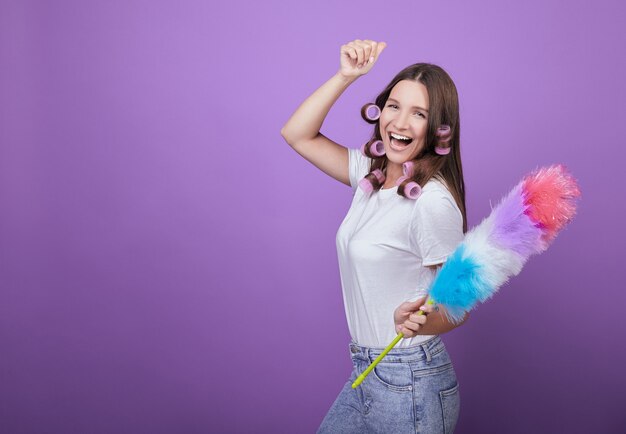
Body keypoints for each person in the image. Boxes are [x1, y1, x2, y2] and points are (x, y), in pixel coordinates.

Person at [281, 39, 470, 434]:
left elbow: (457, 308)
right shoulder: (373, 173)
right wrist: (345, 76)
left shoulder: (432, 202)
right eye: (394, 106)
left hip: (412, 381)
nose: (399, 123)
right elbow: (297, 134)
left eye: (418, 113)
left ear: (439, 129)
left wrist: (418, 322)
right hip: (368, 371)